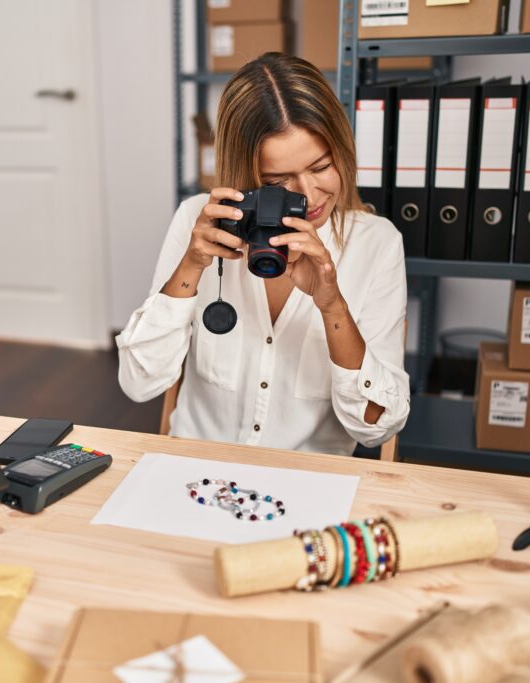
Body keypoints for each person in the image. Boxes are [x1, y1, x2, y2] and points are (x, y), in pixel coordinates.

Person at [116, 53, 409, 456]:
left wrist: (332, 306)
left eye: (322, 166)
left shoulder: (377, 245)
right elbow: (138, 383)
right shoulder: (196, 220)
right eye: (278, 180)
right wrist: (192, 266)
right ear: (246, 176)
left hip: (304, 485)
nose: (308, 195)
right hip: (195, 470)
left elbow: (377, 428)